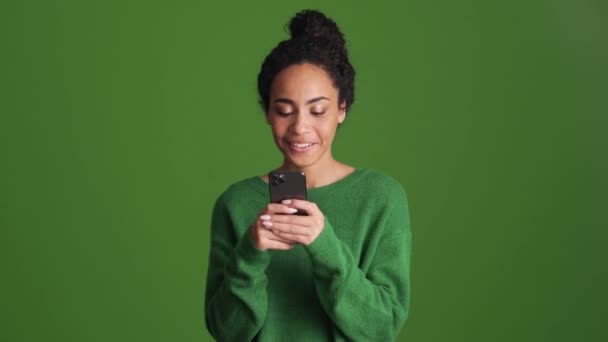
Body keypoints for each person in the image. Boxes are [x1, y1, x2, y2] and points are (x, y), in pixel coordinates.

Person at [204, 9, 412, 341]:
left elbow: (381, 327)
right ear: (268, 113)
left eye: (318, 110)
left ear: (342, 108)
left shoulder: (381, 198)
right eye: (284, 111)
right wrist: (250, 253)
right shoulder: (236, 203)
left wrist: (324, 244)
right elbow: (226, 331)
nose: (300, 127)